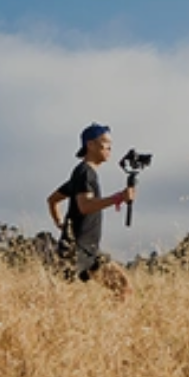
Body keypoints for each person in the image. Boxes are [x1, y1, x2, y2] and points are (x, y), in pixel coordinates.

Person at [46, 123, 135, 293]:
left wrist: (60, 224)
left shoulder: (83, 174)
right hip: (76, 250)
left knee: (124, 289)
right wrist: (118, 197)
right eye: (105, 142)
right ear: (91, 144)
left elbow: (52, 200)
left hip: (90, 251)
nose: (109, 147)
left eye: (111, 144)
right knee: (60, 298)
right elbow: (85, 206)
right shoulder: (84, 173)